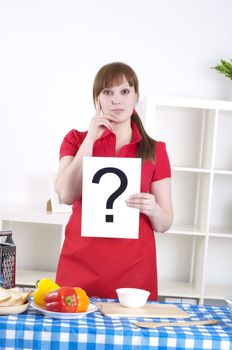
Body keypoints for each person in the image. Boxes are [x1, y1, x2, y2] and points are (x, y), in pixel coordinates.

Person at [55, 62, 173, 300]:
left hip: (134, 271)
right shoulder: (76, 140)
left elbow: (165, 223)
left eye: (124, 91)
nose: (116, 100)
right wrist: (90, 140)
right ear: (97, 99)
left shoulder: (154, 150)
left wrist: (153, 209)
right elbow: (65, 194)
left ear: (136, 97)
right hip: (80, 264)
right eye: (107, 92)